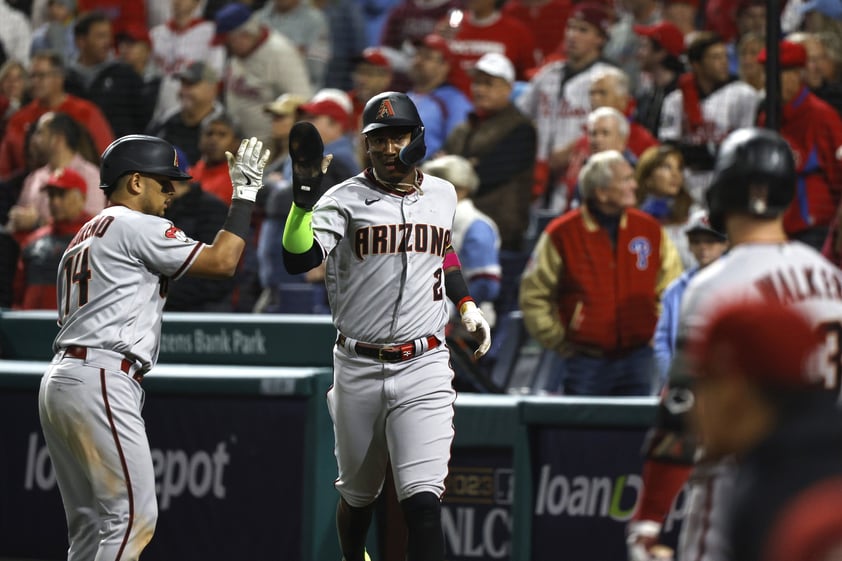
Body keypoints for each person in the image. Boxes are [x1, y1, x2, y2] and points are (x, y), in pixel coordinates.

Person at [37, 133, 269, 561]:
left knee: (92, 529)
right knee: (131, 516)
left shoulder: (84, 233)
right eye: (164, 182)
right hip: (102, 374)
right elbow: (223, 262)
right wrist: (245, 196)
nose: (172, 192)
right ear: (136, 182)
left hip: (64, 376)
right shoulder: (135, 224)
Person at [281, 91, 491, 561]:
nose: (388, 149)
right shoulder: (343, 199)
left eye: (397, 137)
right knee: (359, 496)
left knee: (422, 501)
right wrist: (301, 205)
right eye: (378, 140)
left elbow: (442, 250)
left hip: (425, 363)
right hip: (358, 364)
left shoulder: (442, 193)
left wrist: (466, 302)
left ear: (416, 138)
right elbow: (299, 259)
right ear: (365, 145)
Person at [626, 127, 842, 561]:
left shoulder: (716, 283)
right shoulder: (830, 276)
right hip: (825, 481)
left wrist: (649, 519)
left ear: (724, 190)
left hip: (737, 480)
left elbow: (683, 405)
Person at [688, 300, 842, 561]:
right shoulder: (775, 467)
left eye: (703, 382)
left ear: (733, 390)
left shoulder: (795, 502)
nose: (693, 404)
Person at [520, 150, 682, 396]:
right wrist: (559, 340)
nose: (634, 185)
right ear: (601, 192)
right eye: (625, 180)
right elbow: (534, 294)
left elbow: (671, 284)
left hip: (639, 357)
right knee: (583, 433)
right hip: (584, 361)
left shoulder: (649, 229)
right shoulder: (562, 233)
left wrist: (656, 329)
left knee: (636, 431)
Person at [516, 2, 617, 210]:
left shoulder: (607, 78)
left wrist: (572, 150)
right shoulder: (549, 73)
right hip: (539, 175)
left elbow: (615, 126)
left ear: (600, 38)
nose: (572, 35)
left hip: (583, 172)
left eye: (583, 30)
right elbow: (520, 114)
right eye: (570, 27)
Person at [443, 52, 536, 252]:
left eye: (488, 84)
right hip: (456, 231)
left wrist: (459, 170)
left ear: (508, 88)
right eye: (477, 83)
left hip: (500, 235)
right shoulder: (462, 129)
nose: (480, 90)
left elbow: (483, 176)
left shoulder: (521, 129)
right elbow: (441, 173)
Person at [756, 40, 842, 250]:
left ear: (797, 75)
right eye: (768, 74)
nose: (772, 81)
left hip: (816, 227)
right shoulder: (766, 118)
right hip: (775, 225)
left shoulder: (821, 115)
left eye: (781, 73)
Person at [658, 31, 760, 205]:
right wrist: (710, 151)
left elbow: (743, 150)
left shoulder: (744, 95)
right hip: (686, 189)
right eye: (715, 58)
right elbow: (669, 149)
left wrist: (697, 152)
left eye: (724, 57)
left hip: (728, 185)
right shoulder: (676, 99)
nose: (723, 63)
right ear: (697, 65)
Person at [0, 50, 113, 182]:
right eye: (32, 76)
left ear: (59, 78)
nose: (35, 82)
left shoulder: (86, 112)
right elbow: (5, 168)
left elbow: (108, 157)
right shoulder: (19, 119)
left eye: (41, 76)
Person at [213, 2, 312, 148]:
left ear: (245, 35)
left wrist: (285, 145)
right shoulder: (238, 54)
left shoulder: (281, 54)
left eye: (228, 42)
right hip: (241, 143)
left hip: (270, 146)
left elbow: (303, 101)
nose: (225, 47)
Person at [421, 154, 501, 323]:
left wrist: (456, 313)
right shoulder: (429, 219)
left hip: (466, 327)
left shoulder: (476, 226)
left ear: (461, 190)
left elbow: (485, 284)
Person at [651, 209, 727, 387]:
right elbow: (662, 340)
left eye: (710, 241)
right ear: (689, 245)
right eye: (697, 241)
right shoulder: (675, 290)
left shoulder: (738, 283)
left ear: (725, 244)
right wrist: (670, 377)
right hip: (684, 378)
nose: (703, 247)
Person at [8, 111, 104, 238]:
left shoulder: (91, 176)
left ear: (57, 139)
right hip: (32, 252)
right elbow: (16, 224)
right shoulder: (34, 178)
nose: (33, 139)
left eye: (40, 133)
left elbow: (93, 228)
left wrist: (37, 223)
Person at [163, 148, 236, 311]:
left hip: (204, 313)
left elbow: (216, 276)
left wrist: (163, 292)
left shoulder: (212, 209)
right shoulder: (156, 211)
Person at [14, 167, 92, 309]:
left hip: (77, 326)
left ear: (82, 198)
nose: (54, 202)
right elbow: (18, 293)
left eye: (61, 195)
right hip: (29, 324)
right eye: (51, 195)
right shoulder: (33, 240)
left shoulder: (97, 236)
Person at [63, 11, 151, 136]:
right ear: (81, 41)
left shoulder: (126, 75)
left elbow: (143, 121)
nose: (108, 42)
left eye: (108, 36)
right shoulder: (64, 79)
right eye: (100, 36)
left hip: (119, 152)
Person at [149, 0, 225, 121]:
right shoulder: (156, 34)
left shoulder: (210, 32)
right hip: (164, 106)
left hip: (200, 111)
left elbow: (216, 76)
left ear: (197, 3)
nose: (178, 2)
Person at [407, 33, 473, 160]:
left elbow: (458, 147)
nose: (418, 61)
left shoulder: (454, 101)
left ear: (445, 66)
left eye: (427, 57)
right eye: (417, 55)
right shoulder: (406, 97)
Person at [146, 61, 226, 166]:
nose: (184, 91)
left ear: (212, 89)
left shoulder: (224, 129)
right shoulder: (166, 120)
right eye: (183, 84)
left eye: (191, 84)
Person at [635, 143, 698, 269]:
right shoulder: (631, 216)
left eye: (679, 168)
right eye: (666, 167)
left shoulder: (693, 215)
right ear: (647, 177)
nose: (675, 174)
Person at [255, 0, 331, 90]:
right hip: (260, 91)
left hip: (302, 90)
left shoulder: (315, 20)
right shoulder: (258, 19)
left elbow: (318, 67)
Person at [632, 20, 685, 136]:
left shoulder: (683, 92)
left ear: (661, 52)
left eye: (644, 47)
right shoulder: (647, 94)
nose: (638, 54)